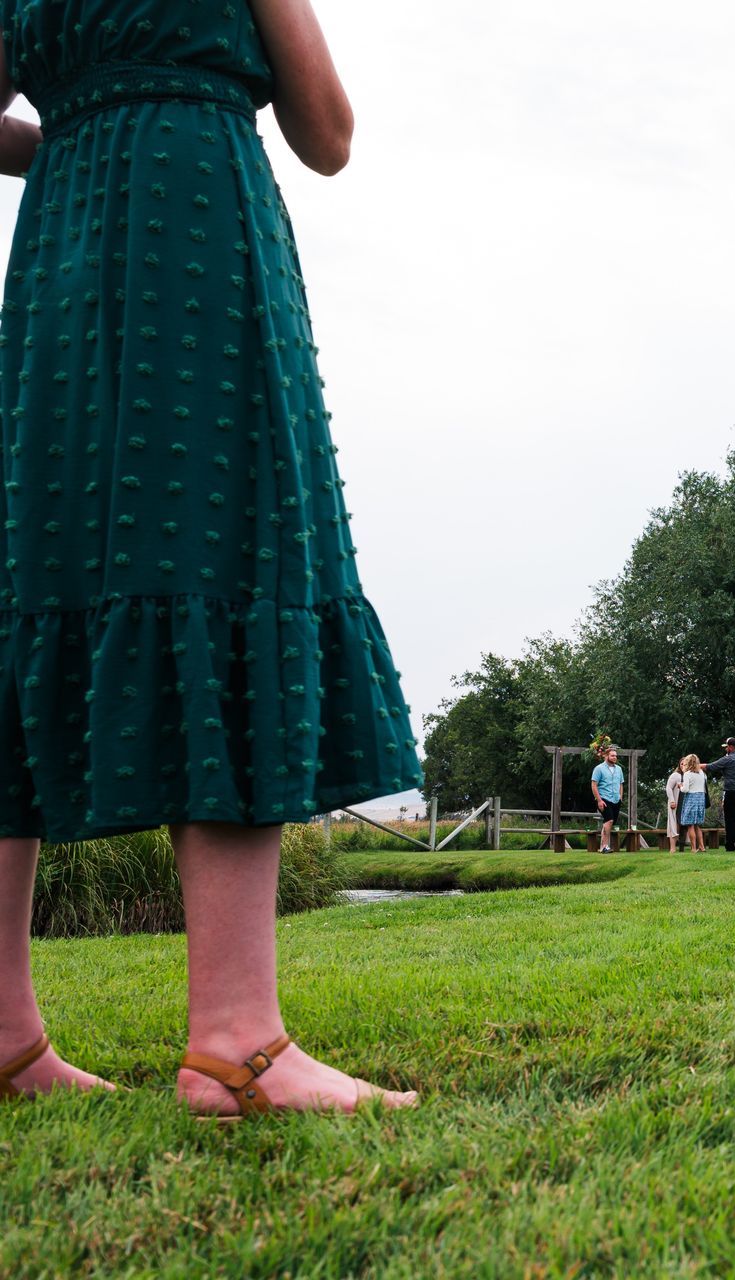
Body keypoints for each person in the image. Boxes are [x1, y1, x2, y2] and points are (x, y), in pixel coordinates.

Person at [0, 0, 420, 1114]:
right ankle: (236, 1040)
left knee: (31, 578)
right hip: (200, 236)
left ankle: (1, 1029)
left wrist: (73, 135)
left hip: (61, 250)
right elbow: (327, 135)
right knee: (234, 554)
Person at [591, 747, 625, 853]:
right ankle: (605, 846)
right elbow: (594, 785)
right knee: (609, 820)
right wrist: (599, 800)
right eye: (612, 755)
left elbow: (621, 784)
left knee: (610, 822)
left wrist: (620, 797)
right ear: (606, 756)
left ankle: (602, 846)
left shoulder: (619, 769)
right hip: (604, 799)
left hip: (616, 799)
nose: (615, 757)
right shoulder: (599, 768)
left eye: (615, 755)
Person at [677, 755, 709, 852]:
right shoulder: (702, 773)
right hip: (701, 799)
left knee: (690, 825)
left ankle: (693, 848)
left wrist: (680, 786)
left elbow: (685, 789)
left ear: (688, 762)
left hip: (691, 799)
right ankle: (702, 847)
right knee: (697, 825)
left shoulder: (687, 774)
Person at [665, 768, 683, 852]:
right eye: (682, 764)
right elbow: (668, 788)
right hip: (675, 803)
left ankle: (688, 848)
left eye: (685, 763)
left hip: (685, 804)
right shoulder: (675, 775)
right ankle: (672, 848)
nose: (684, 765)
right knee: (673, 825)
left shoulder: (689, 775)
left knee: (684, 826)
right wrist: (672, 800)